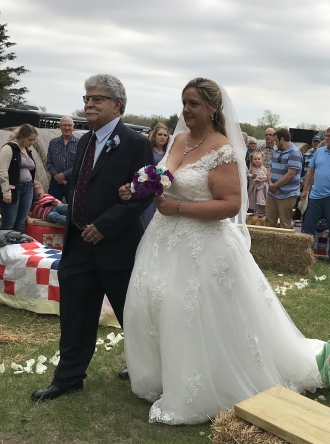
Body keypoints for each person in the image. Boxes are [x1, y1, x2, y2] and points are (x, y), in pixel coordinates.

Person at [121, 78, 325, 425]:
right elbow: (165, 175)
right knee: (158, 304)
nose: (186, 110)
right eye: (184, 103)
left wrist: (179, 209)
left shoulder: (224, 150)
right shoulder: (180, 139)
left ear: (213, 108)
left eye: (194, 104)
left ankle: (203, 384)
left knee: (194, 312)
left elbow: (230, 205)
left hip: (204, 244)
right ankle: (162, 374)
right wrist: (142, 186)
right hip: (163, 239)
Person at [31, 74, 154, 401]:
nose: (89, 103)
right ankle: (68, 378)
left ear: (118, 104)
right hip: (79, 246)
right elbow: (79, 188)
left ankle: (145, 368)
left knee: (132, 315)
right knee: (75, 315)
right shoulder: (84, 142)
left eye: (97, 98)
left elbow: (144, 194)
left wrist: (105, 225)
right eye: (87, 97)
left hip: (118, 247)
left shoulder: (136, 143)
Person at [0, 124, 37, 233]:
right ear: (22, 137)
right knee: (9, 222)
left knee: (20, 222)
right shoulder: (9, 148)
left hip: (27, 188)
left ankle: (17, 247)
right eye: (30, 140)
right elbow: (2, 171)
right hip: (13, 189)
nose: (32, 142)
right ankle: (3, 248)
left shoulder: (27, 150)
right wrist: (6, 191)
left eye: (34, 140)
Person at [301, 127, 330, 258]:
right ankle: (306, 256)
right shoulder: (319, 152)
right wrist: (305, 189)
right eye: (327, 136)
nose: (328, 138)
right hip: (315, 196)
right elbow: (310, 171)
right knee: (308, 227)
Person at [265, 128, 302, 229]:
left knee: (284, 223)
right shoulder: (276, 152)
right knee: (269, 221)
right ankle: (268, 244)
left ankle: (282, 245)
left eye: (276, 141)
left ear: (282, 140)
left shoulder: (294, 153)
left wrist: (275, 185)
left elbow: (290, 174)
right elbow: (269, 169)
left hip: (287, 194)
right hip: (272, 193)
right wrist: (271, 184)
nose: (275, 144)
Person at [140, 123, 170, 228]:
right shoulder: (148, 149)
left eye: (165, 135)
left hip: (164, 188)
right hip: (148, 187)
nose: (162, 137)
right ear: (154, 135)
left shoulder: (169, 152)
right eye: (160, 134)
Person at [46, 116, 79, 202]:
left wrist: (64, 175)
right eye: (64, 125)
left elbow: (79, 164)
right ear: (60, 127)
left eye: (69, 125)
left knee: (73, 208)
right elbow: (49, 163)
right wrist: (57, 177)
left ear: (73, 127)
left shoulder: (79, 143)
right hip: (55, 183)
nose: (67, 128)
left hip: (72, 182)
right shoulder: (53, 143)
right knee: (51, 207)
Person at [247, 151, 268, 217]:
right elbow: (249, 176)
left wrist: (262, 180)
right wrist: (251, 176)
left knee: (260, 198)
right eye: (255, 159)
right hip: (254, 187)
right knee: (254, 198)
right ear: (252, 160)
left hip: (261, 187)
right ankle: (255, 211)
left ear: (262, 160)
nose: (257, 161)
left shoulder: (263, 168)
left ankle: (261, 212)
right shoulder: (252, 168)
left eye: (259, 159)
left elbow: (267, 178)